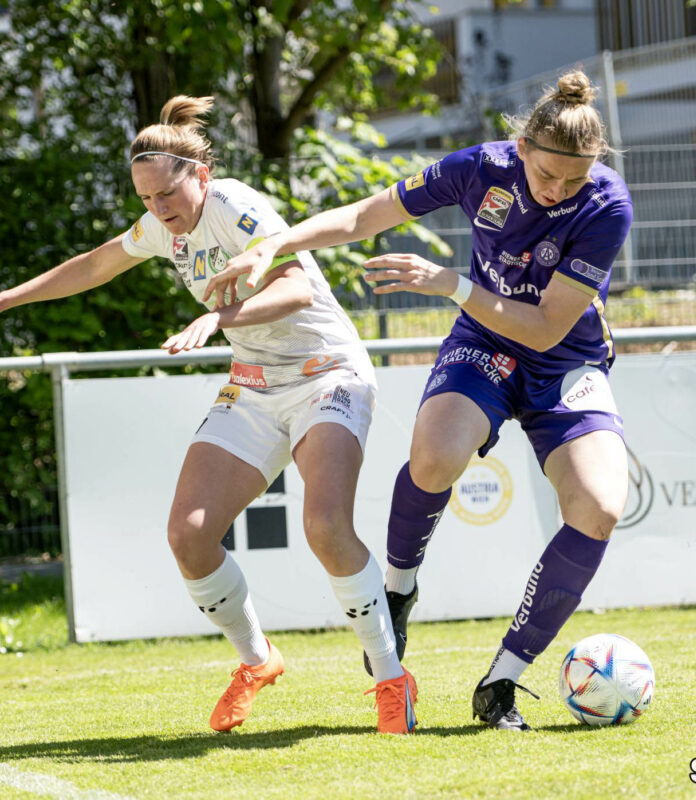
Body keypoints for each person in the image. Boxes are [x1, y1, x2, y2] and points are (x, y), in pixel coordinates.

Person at [204, 69, 633, 731]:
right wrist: (273, 245)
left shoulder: (606, 204)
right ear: (521, 150)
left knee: (601, 506)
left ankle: (501, 681)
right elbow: (363, 215)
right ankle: (398, 592)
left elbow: (547, 326)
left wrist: (450, 283)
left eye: (571, 182)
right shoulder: (478, 168)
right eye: (547, 176)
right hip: (484, 342)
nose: (557, 192)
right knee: (434, 458)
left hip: (566, 359)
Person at [0, 95, 418, 735]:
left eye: (166, 194)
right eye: (145, 200)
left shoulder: (233, 205)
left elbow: (299, 287)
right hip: (252, 383)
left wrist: (217, 317)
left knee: (326, 524)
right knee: (189, 535)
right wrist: (10, 298)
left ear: (199, 175)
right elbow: (97, 263)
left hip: (325, 372)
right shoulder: (162, 225)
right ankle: (259, 661)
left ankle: (392, 677)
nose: (158, 211)